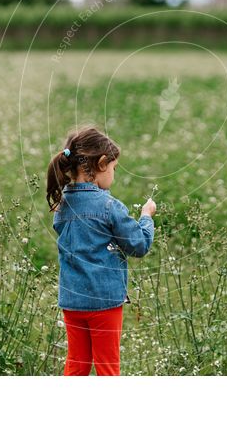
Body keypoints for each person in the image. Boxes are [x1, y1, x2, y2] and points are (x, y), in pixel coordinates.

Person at [46, 126, 156, 376]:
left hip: (72, 301)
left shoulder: (63, 205)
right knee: (107, 368)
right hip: (104, 302)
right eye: (114, 168)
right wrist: (146, 217)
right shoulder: (108, 206)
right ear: (102, 164)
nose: (114, 176)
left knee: (77, 363)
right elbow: (138, 245)